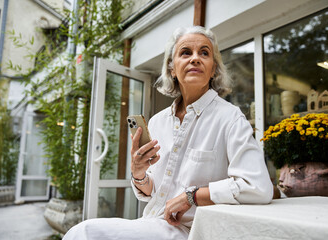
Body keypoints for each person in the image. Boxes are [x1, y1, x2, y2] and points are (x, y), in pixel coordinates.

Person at [63, 26, 273, 240]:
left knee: (84, 233)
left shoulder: (230, 118)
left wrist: (192, 196)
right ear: (172, 68)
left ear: (213, 70)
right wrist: (139, 173)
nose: (195, 59)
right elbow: (155, 190)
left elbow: (257, 187)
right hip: (152, 223)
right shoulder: (158, 121)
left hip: (194, 231)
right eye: (185, 52)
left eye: (204, 53)